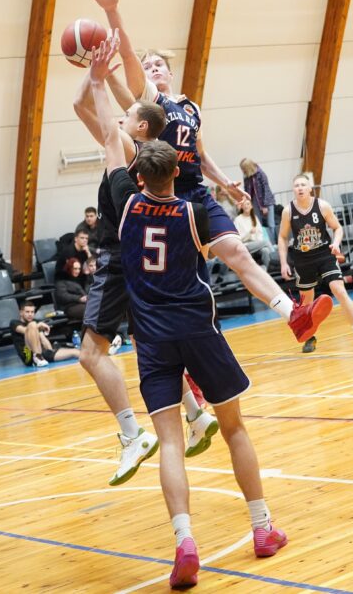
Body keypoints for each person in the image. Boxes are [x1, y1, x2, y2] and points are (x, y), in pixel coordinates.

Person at [89, 39, 286, 587]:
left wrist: (100, 81)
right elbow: (235, 257)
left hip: (152, 341)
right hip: (198, 329)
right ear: (178, 169)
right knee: (234, 428)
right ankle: (262, 528)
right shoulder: (194, 215)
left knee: (171, 444)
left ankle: (184, 543)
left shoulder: (125, 203)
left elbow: (109, 136)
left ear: (139, 173)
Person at [86, 0, 332, 345]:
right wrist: (111, 10)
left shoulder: (191, 108)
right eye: (148, 66)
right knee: (185, 283)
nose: (153, 68)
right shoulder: (151, 103)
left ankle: (294, 315)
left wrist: (226, 184)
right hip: (166, 196)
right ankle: (183, 357)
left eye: (159, 64)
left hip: (197, 191)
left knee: (237, 252)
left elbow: (200, 156)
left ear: (171, 72)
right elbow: (128, 56)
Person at [73, 30, 219, 487]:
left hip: (119, 257)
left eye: (130, 114)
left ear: (139, 128)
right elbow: (87, 108)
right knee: (148, 344)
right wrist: (96, 72)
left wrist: (96, 75)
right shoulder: (151, 153)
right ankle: (196, 414)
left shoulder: (128, 149)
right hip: (145, 262)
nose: (122, 115)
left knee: (90, 354)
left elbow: (87, 111)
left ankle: (132, 434)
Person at [278, 174, 353, 354]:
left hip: (324, 254)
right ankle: (310, 338)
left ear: (310, 188)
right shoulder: (288, 211)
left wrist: (336, 244)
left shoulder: (322, 206)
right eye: (296, 185)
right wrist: (284, 263)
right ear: (293, 189)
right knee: (306, 302)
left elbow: (337, 228)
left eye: (303, 185)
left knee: (339, 290)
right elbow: (282, 237)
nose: (300, 188)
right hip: (303, 259)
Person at [10, 300, 80, 368]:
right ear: (21, 313)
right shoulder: (14, 323)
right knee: (32, 324)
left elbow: (47, 345)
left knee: (75, 352)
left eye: (32, 312)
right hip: (28, 356)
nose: (30, 314)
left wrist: (41, 333)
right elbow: (26, 330)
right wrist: (39, 325)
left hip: (43, 354)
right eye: (27, 312)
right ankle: (37, 356)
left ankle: (39, 357)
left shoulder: (36, 323)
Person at [240, 158, 277, 236]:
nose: (243, 171)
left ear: (248, 167)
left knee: (271, 224)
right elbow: (246, 190)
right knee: (258, 223)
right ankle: (263, 240)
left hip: (266, 201)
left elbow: (266, 189)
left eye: (243, 168)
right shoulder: (246, 176)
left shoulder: (261, 174)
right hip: (254, 201)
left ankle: (273, 241)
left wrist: (264, 206)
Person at [233, 198, 273, 271]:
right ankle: (276, 257)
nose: (246, 206)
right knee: (266, 242)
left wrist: (259, 243)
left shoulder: (254, 217)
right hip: (245, 245)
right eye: (244, 204)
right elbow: (238, 238)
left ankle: (266, 271)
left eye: (248, 204)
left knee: (265, 250)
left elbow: (260, 234)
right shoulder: (238, 220)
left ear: (251, 206)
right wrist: (249, 233)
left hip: (256, 243)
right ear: (242, 207)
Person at [54, 257, 89, 322]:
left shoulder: (81, 279)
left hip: (83, 304)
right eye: (75, 269)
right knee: (91, 310)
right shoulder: (61, 279)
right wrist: (79, 298)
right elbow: (62, 296)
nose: (77, 271)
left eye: (79, 269)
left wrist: (87, 276)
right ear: (69, 268)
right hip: (69, 306)